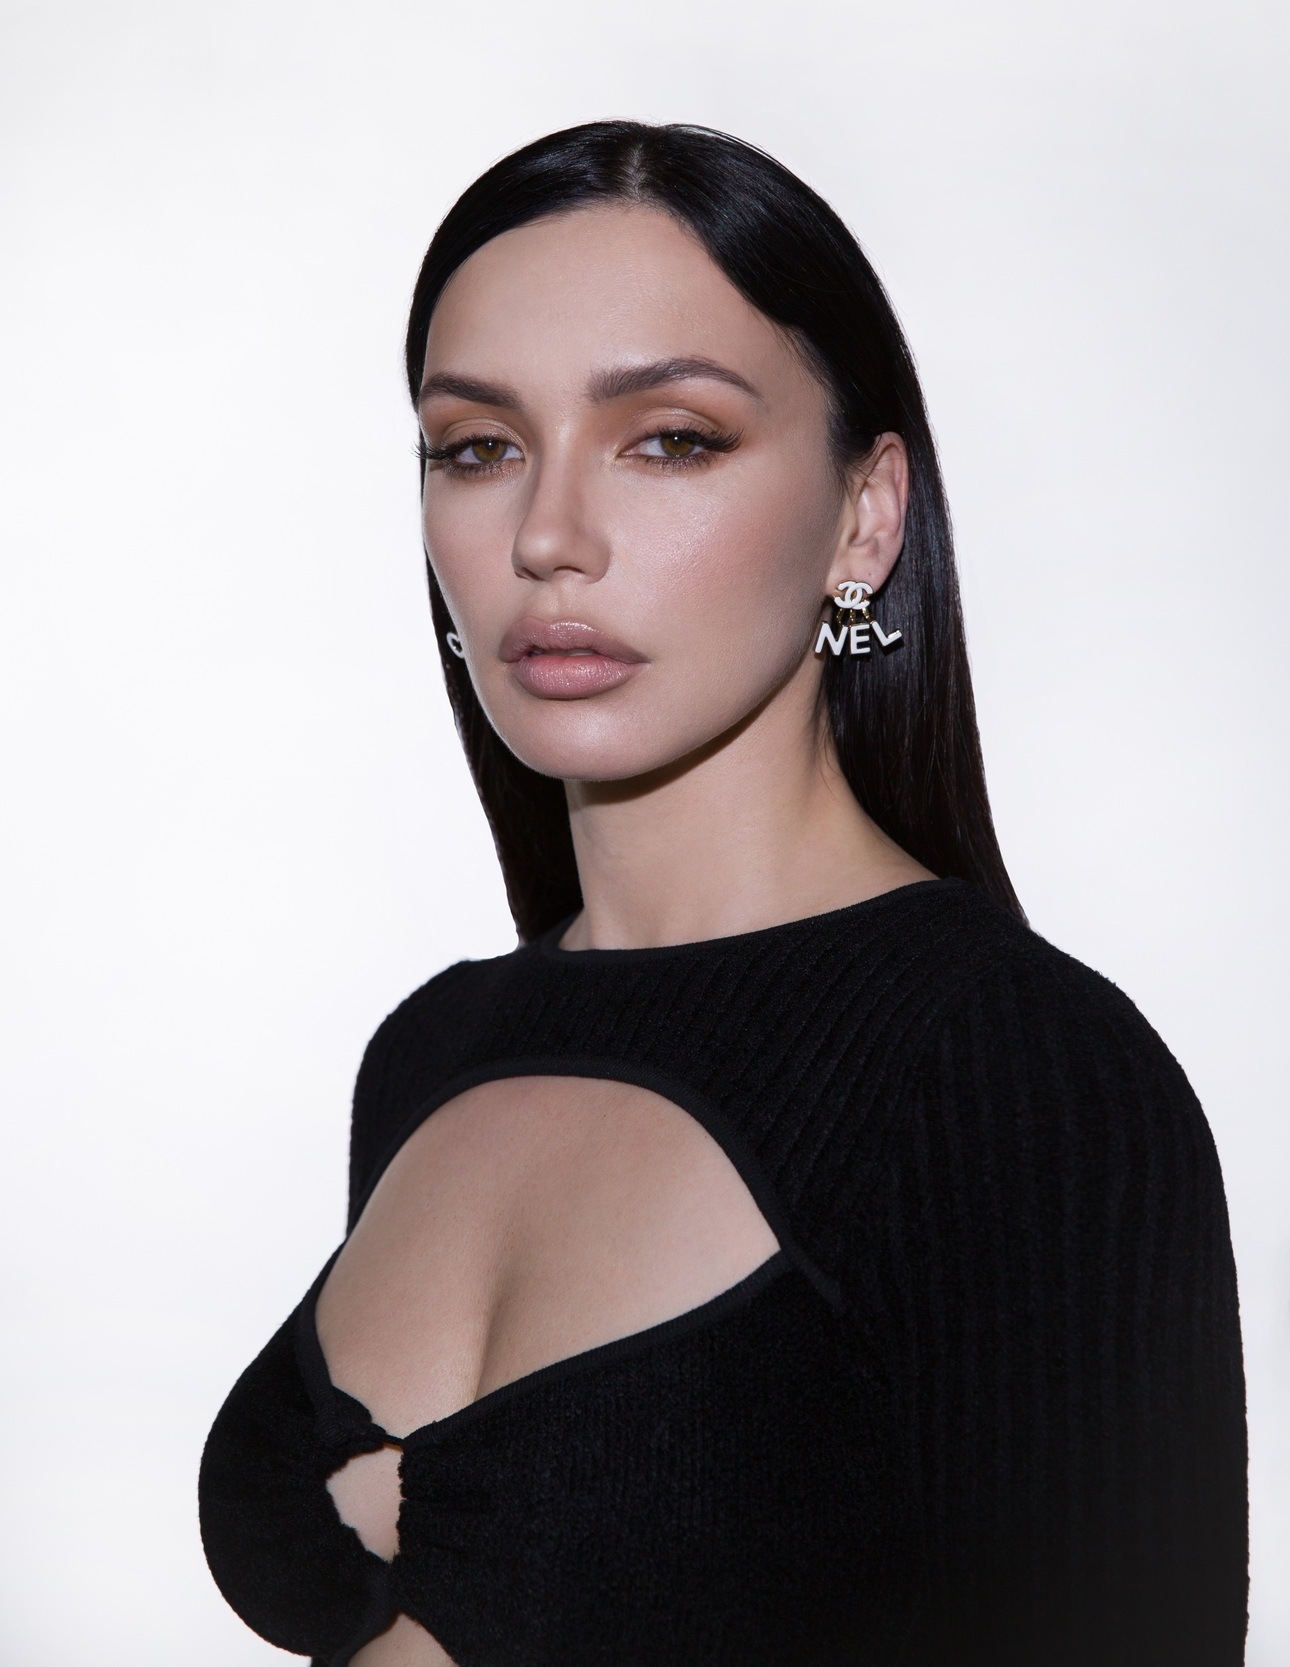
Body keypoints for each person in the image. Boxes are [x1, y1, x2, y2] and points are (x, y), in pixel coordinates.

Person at [198, 122, 1248, 1666]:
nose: (546, 537)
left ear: (863, 516)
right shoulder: (431, 1053)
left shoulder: (1011, 1070)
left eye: (671, 439)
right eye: (476, 447)